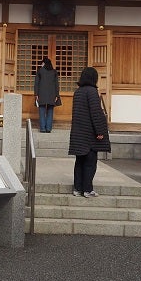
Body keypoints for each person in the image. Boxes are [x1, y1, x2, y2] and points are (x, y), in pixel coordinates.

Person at [68, 66, 111, 197]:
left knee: (79, 162)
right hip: (89, 134)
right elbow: (96, 113)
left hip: (78, 132)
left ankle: (77, 188)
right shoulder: (92, 92)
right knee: (90, 163)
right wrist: (100, 131)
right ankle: (87, 189)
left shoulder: (78, 92)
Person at [34, 57, 60, 132]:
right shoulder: (54, 72)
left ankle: (42, 128)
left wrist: (36, 94)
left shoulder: (40, 71)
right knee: (50, 111)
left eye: (42, 63)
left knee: (41, 110)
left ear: (44, 63)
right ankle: (48, 128)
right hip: (52, 94)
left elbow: (36, 84)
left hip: (41, 94)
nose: (41, 65)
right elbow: (56, 85)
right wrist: (57, 95)